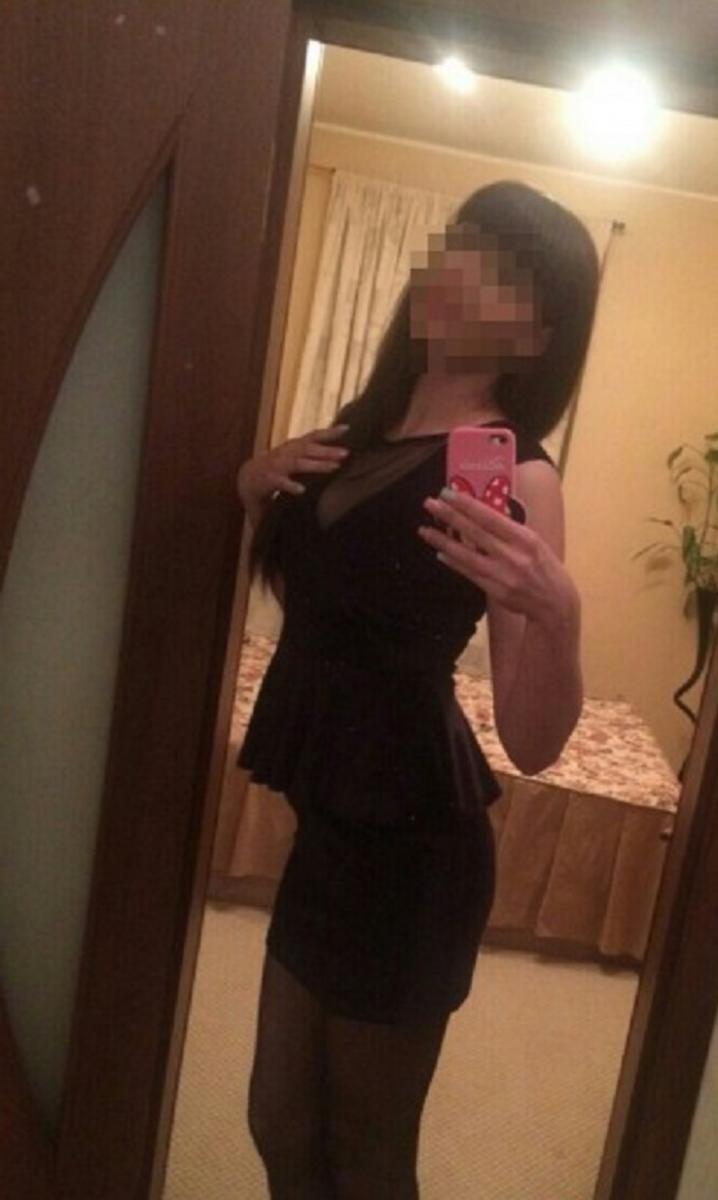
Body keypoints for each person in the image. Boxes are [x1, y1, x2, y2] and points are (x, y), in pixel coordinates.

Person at [236, 179, 599, 1199]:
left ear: (536, 337)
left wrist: (560, 616)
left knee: (368, 1153)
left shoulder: (515, 477)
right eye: (465, 243)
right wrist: (251, 484)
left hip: (413, 856)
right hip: (330, 828)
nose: (465, 272)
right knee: (276, 1119)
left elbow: (531, 740)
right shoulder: (354, 433)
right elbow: (322, 601)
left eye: (509, 275)